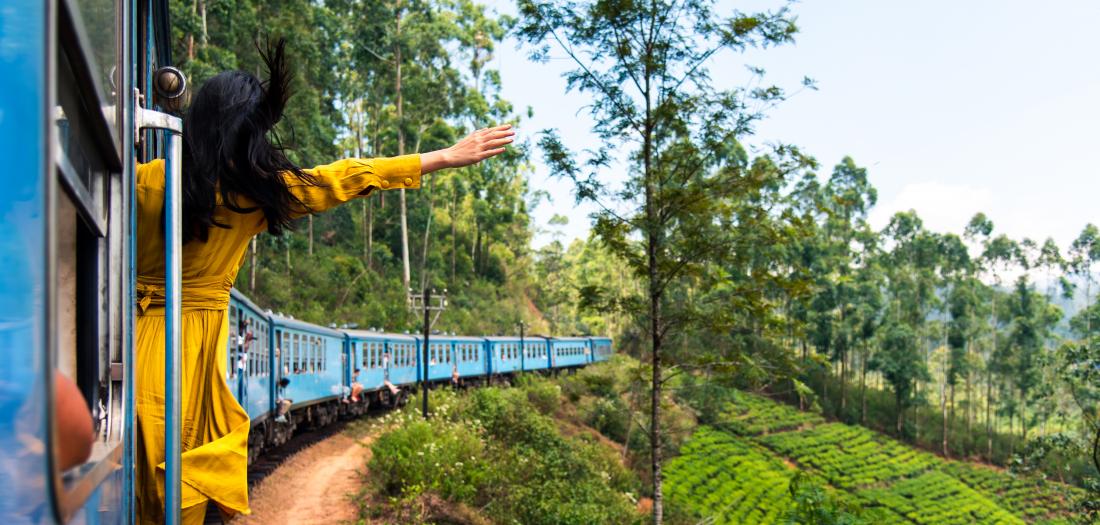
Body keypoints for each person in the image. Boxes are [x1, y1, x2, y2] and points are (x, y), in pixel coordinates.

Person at [133, 39, 513, 524]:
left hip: (128, 337)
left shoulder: (144, 181)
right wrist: (440, 157)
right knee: (179, 473)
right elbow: (344, 177)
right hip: (187, 350)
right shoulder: (252, 196)